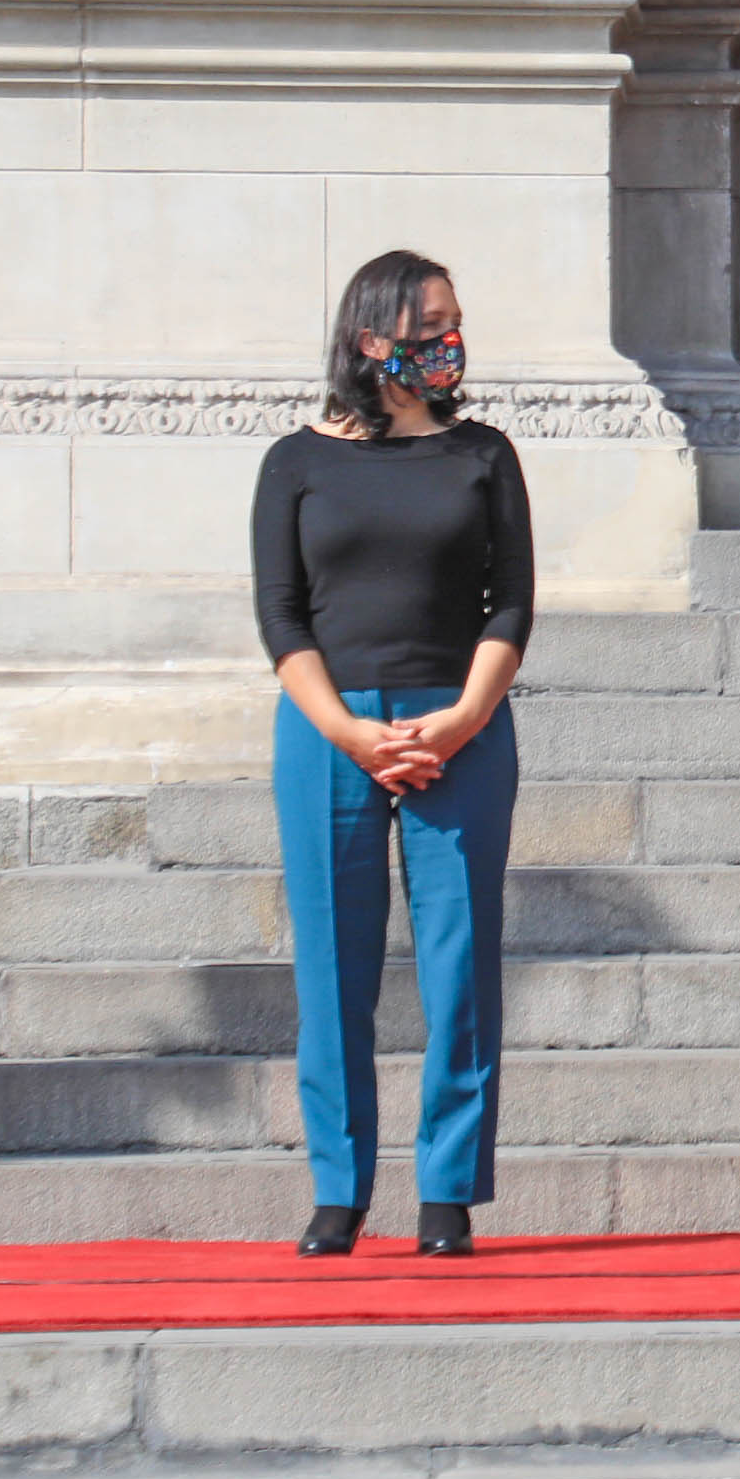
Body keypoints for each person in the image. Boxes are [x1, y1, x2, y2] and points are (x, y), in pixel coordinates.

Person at [250, 250, 532, 1260]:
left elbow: (512, 601)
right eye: (433, 327)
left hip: (461, 721)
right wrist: (347, 730)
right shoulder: (295, 462)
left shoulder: (484, 454)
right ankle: (339, 1188)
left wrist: (457, 720)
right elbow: (281, 615)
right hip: (330, 728)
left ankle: (448, 1191)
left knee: (460, 965)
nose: (452, 344)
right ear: (374, 340)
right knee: (333, 966)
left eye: (457, 324)